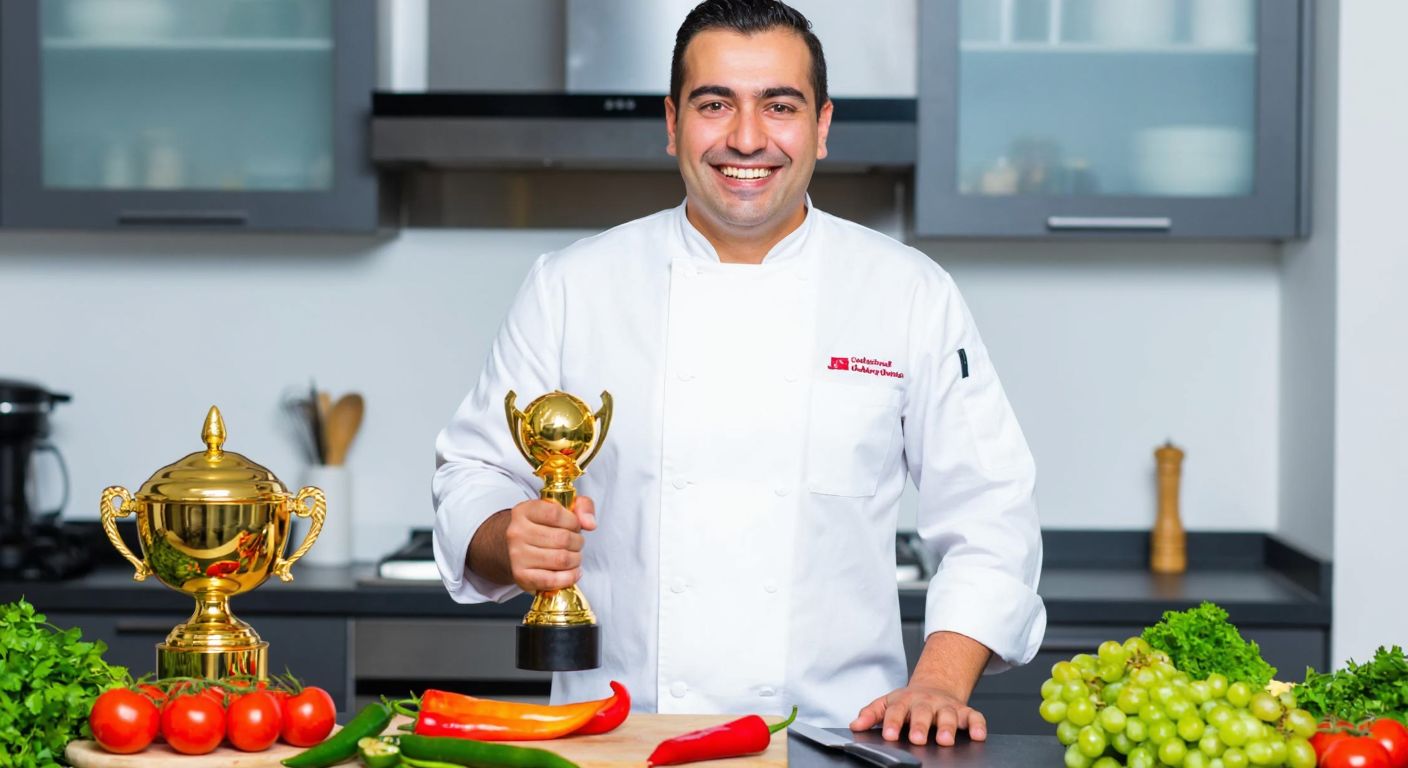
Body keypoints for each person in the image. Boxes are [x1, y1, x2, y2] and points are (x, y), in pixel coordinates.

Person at [432, 0, 1044, 746]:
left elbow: (991, 513)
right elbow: (472, 473)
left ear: (821, 125)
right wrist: (507, 534)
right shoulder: (572, 287)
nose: (746, 138)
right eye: (714, 104)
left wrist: (939, 682)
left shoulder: (907, 292)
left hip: (832, 740)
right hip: (618, 743)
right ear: (672, 123)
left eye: (778, 106)